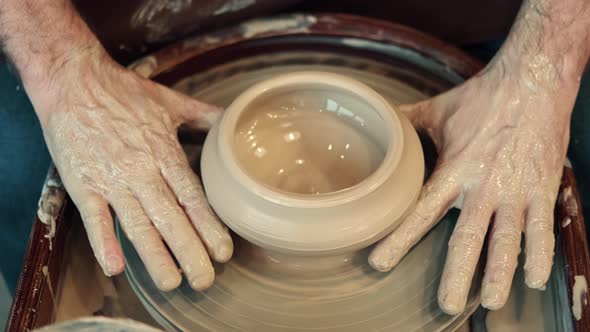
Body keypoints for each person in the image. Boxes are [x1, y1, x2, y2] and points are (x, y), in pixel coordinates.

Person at [0, 0, 588, 318]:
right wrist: (60, 66)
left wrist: (544, 69)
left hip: (500, 25)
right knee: (34, 183)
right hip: (95, 29)